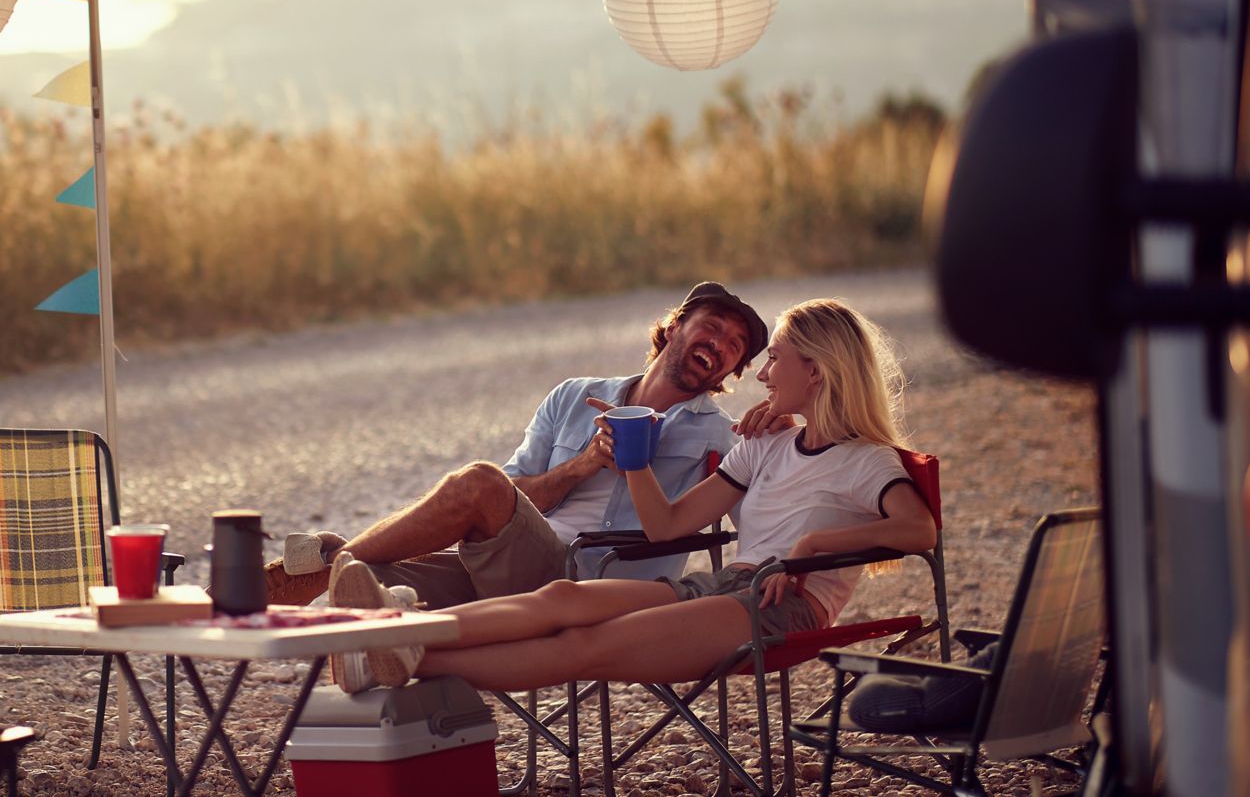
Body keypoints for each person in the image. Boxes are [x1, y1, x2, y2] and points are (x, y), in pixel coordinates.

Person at [327, 297, 938, 693]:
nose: (760, 374)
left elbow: (920, 532)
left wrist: (811, 546)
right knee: (562, 597)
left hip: (782, 605)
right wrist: (634, 456)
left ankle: (408, 656)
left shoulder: (866, 460)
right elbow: (669, 526)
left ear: (817, 372)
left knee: (585, 646)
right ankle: (385, 635)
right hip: (723, 588)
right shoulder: (765, 447)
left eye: (770, 358)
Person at [266, 282, 770, 620]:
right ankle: (247, 599)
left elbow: (766, 518)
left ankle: (328, 556)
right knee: (364, 583)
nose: (722, 343)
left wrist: (779, 430)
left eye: (735, 346)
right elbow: (511, 498)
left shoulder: (723, 437)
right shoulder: (573, 395)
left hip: (595, 590)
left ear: (731, 373)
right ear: (677, 324)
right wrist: (583, 464)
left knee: (477, 482)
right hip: (510, 567)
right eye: (713, 326)